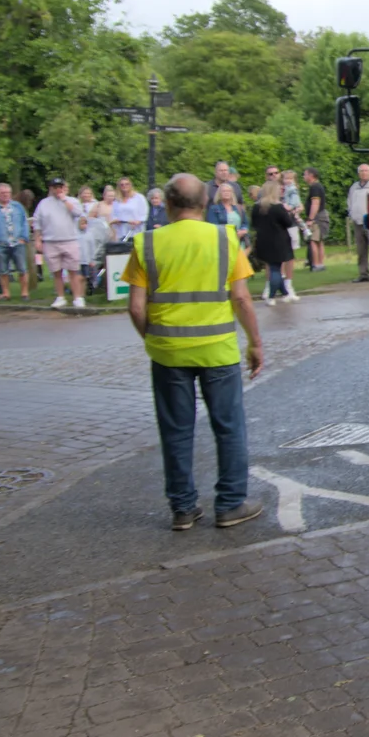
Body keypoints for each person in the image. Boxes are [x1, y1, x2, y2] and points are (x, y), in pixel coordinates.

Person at [124, 173, 264, 531]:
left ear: (167, 205)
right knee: (229, 428)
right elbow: (242, 298)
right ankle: (231, 504)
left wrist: (153, 339)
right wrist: (256, 343)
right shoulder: (225, 238)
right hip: (217, 350)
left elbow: (137, 308)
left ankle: (183, 509)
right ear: (206, 204)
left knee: (175, 431)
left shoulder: (147, 244)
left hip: (168, 352)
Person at [30, 178, 91, 309]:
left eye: (60, 187)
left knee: (73, 270)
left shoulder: (72, 201)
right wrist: (38, 239)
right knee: (56, 271)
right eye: (55, 187)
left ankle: (78, 298)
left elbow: (78, 213)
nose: (57, 189)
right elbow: (37, 222)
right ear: (51, 188)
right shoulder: (44, 203)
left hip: (69, 239)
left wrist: (64, 199)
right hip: (51, 241)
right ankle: (60, 297)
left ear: (64, 187)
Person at [252, 180, 297, 305]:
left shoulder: (257, 207)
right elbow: (288, 223)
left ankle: (285, 293)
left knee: (273, 267)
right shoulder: (278, 207)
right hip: (279, 241)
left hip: (263, 241)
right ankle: (271, 297)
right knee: (275, 269)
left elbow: (254, 224)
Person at [0, 183, 31, 301]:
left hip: (17, 243)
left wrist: (24, 238)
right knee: (2, 270)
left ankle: (24, 293)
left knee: (22, 269)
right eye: (2, 193)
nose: (5, 195)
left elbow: (24, 222)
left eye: (7, 193)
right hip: (0, 244)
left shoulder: (17, 206)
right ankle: (6, 293)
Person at [346, 163, 369, 282]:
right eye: (361, 171)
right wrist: (351, 213)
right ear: (358, 173)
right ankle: (363, 274)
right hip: (357, 222)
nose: (363, 173)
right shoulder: (354, 186)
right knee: (361, 250)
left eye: (366, 170)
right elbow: (349, 201)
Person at [303, 167, 328, 271]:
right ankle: (320, 264)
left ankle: (317, 264)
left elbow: (315, 203)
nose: (303, 177)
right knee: (319, 241)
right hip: (320, 216)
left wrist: (310, 219)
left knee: (314, 241)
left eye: (305, 174)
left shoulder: (315, 187)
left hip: (317, 218)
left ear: (311, 175)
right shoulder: (317, 186)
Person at [112, 175, 149, 242]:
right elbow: (114, 214)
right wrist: (115, 220)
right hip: (122, 231)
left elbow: (144, 213)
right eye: (122, 185)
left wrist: (138, 221)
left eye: (126, 184)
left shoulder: (139, 197)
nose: (124, 186)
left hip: (135, 230)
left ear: (130, 185)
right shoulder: (117, 200)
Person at [281, 170, 305, 272]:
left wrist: (291, 207)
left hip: (291, 214)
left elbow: (296, 202)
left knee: (292, 242)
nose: (288, 181)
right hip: (287, 216)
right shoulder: (284, 189)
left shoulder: (292, 189)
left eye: (290, 179)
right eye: (286, 178)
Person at [17, 189, 40, 282]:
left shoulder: (22, 208)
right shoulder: (19, 208)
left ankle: (38, 272)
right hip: (21, 238)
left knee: (36, 255)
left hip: (29, 237)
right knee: (27, 259)